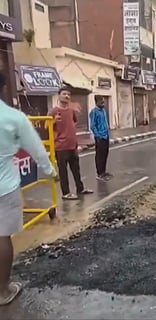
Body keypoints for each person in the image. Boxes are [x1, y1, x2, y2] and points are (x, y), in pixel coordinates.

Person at [0, 73, 57, 305]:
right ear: (3, 87)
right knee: (2, 236)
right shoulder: (12, 117)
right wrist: (52, 173)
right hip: (4, 187)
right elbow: (37, 149)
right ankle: (3, 291)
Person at [47, 87, 93, 200]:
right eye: (64, 94)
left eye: (68, 94)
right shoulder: (53, 111)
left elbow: (74, 123)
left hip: (72, 146)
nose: (67, 96)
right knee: (63, 172)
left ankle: (80, 189)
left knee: (76, 170)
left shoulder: (71, 111)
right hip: (61, 147)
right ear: (59, 96)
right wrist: (54, 121)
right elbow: (46, 127)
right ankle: (66, 193)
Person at [89, 95, 112, 181]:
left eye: (103, 101)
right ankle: (99, 173)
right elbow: (92, 126)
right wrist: (98, 135)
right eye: (101, 102)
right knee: (99, 156)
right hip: (99, 137)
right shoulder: (94, 112)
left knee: (105, 154)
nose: (103, 103)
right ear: (97, 102)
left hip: (106, 136)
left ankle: (103, 171)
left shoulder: (103, 111)